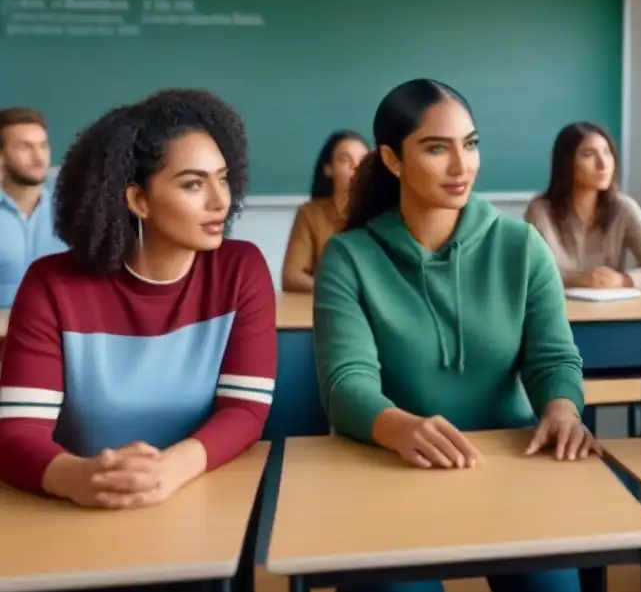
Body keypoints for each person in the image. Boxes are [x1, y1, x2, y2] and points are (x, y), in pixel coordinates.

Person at [314, 78, 594, 592]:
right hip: (392, 469)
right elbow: (345, 383)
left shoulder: (521, 245)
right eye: (437, 148)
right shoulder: (349, 257)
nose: (461, 166)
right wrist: (400, 429)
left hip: (509, 466)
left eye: (470, 144)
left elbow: (552, 356)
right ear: (393, 160)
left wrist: (561, 409)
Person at [0, 89, 276, 506]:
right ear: (138, 199)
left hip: (201, 499)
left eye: (222, 178)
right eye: (193, 184)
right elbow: (16, 433)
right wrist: (81, 478)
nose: (221, 201)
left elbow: (245, 411)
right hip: (79, 510)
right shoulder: (52, 285)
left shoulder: (241, 270)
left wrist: (169, 470)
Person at [525, 121, 641, 291]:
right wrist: (577, 279)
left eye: (607, 153)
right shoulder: (541, 210)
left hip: (610, 311)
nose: (603, 165)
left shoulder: (624, 207)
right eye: (589, 154)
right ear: (567, 163)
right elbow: (531, 275)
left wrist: (623, 281)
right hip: (559, 311)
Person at [281, 130, 369, 292]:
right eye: (345, 160)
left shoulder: (384, 213)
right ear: (329, 169)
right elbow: (292, 277)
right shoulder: (310, 213)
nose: (355, 167)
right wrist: (337, 294)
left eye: (362, 160)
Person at [0, 108, 66, 308]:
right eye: (24, 147)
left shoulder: (72, 211)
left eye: (43, 146)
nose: (39, 158)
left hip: (60, 331)